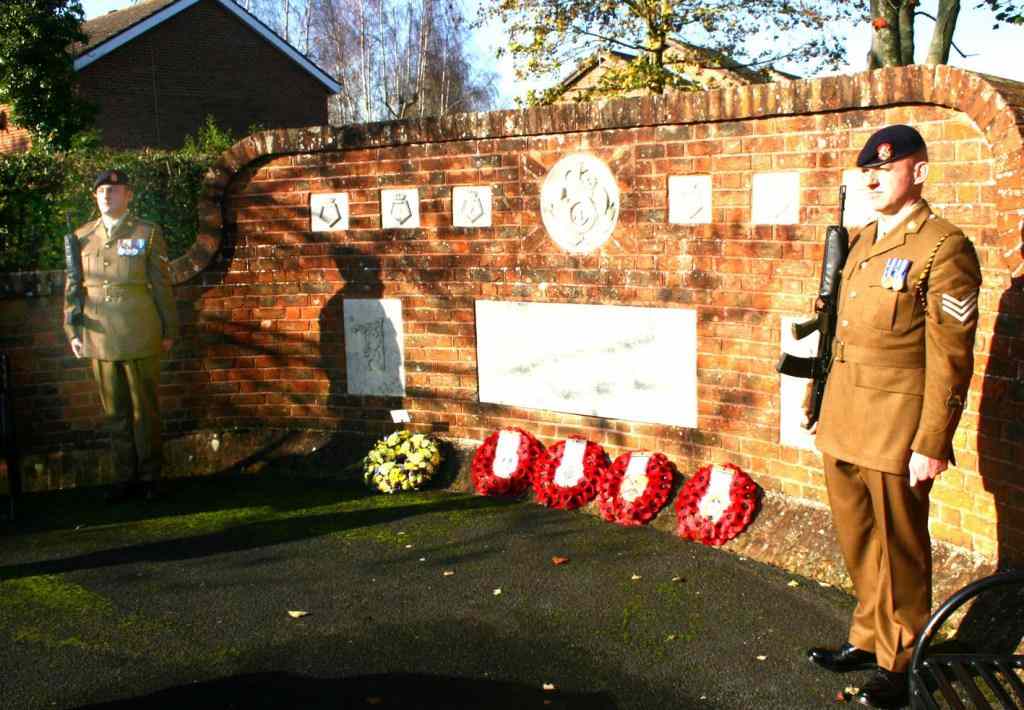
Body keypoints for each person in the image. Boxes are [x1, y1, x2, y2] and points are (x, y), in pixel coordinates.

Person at [805, 125, 982, 709]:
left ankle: (903, 660)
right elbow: (836, 335)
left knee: (901, 549)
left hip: (897, 428)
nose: (874, 178)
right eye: (867, 170)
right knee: (858, 540)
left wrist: (932, 440)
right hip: (845, 417)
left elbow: (950, 357)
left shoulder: (942, 246)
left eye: (888, 166)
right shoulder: (859, 242)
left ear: (920, 172)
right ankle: (867, 637)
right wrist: (817, 403)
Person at [64, 170, 178, 501]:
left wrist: (169, 329)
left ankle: (150, 476)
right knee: (114, 413)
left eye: (113, 191)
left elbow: (161, 284)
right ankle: (125, 477)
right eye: (100, 191)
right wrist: (73, 329)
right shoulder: (82, 236)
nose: (105, 196)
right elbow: (73, 287)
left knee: (145, 410)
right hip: (99, 334)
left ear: (128, 195)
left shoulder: (147, 232)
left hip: (140, 331)